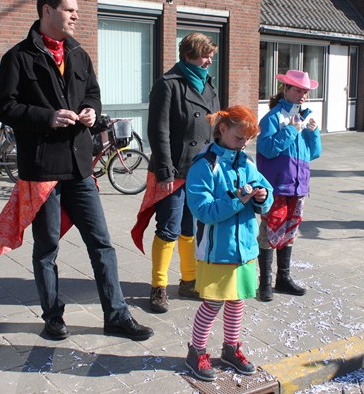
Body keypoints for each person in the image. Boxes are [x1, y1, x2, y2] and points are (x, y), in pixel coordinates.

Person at [0, 0, 153, 341]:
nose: (76, 16)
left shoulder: (78, 54)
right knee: (47, 248)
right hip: (42, 170)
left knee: (102, 243)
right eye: (69, 10)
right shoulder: (17, 57)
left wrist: (91, 111)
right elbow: (3, 107)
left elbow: (92, 92)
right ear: (47, 11)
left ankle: (116, 315)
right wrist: (47, 117)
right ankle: (53, 316)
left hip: (80, 167)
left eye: (76, 10)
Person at [183, 105, 274, 381]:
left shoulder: (246, 161)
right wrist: (237, 199)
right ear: (222, 130)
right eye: (239, 138)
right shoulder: (203, 165)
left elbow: (266, 191)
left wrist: (262, 197)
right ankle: (196, 352)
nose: (243, 144)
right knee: (213, 303)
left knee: (237, 301)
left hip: (244, 248)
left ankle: (230, 349)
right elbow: (203, 211)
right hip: (217, 251)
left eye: (248, 139)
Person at [131, 33, 219, 314]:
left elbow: (214, 127)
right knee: (168, 228)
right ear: (189, 54)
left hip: (200, 171)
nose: (209, 61)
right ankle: (159, 286)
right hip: (174, 171)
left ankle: (189, 280)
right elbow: (159, 132)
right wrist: (165, 173)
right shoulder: (167, 84)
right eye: (205, 55)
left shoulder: (208, 84)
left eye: (211, 56)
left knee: (191, 228)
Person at [256, 70, 322, 302]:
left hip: (298, 186)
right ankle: (264, 283)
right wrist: (292, 130)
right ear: (285, 89)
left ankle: (283, 278)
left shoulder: (304, 117)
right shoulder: (272, 118)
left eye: (305, 91)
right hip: (276, 187)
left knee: (290, 231)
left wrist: (313, 133)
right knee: (269, 232)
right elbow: (267, 149)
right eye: (298, 90)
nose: (303, 95)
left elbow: (313, 154)